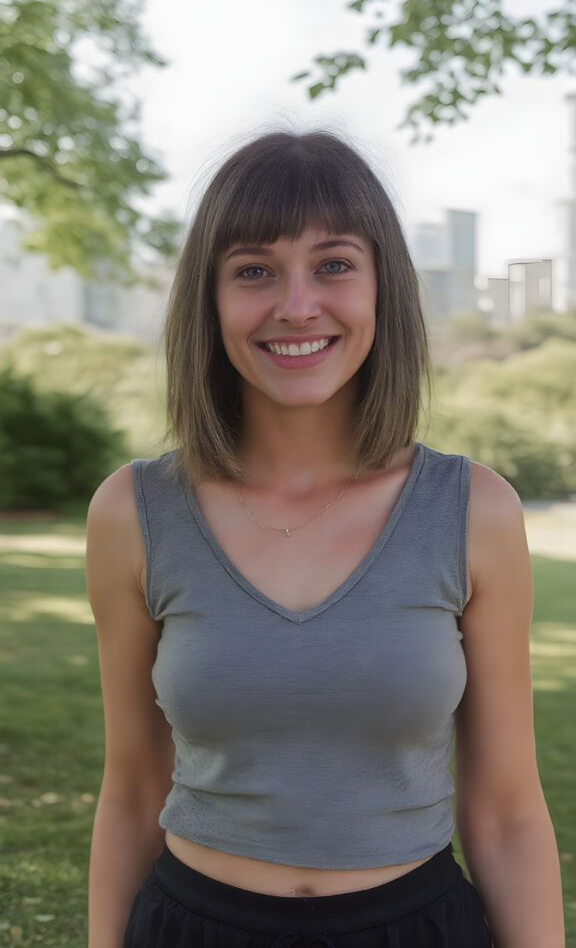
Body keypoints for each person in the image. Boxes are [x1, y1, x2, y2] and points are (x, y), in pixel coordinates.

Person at [86, 130, 564, 948]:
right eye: (255, 270)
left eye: (334, 264)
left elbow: (509, 809)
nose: (296, 304)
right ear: (210, 298)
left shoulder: (474, 511)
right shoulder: (134, 512)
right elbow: (131, 788)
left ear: (383, 288)